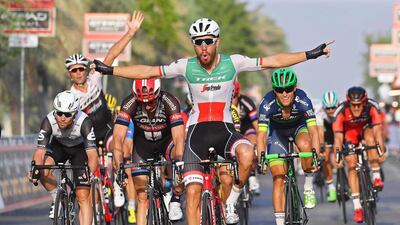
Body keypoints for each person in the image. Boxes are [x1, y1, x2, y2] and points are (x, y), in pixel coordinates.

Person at [92, 17, 333, 225]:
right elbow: (147, 72)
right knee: (193, 192)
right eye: (198, 42)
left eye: (208, 41)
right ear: (194, 45)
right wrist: (110, 70)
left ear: (217, 41)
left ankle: (231, 201)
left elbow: (273, 61)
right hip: (195, 135)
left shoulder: (233, 62)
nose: (204, 47)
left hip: (225, 131)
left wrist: (310, 54)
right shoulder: (185, 66)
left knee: (248, 154)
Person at [66, 10, 144, 207]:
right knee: (87, 172)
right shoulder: (70, 96)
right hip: (88, 136)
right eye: (74, 70)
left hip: (107, 128)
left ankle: (118, 184)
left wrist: (130, 33)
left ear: (86, 69)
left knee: (117, 149)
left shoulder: (95, 78)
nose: (78, 73)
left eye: (81, 68)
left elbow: (112, 54)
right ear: (70, 75)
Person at [114, 78, 185, 225]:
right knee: (142, 195)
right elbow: (118, 139)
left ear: (158, 94)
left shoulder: (169, 101)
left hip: (166, 143)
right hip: (143, 146)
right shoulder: (129, 103)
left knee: (180, 161)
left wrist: (179, 161)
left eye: (151, 101)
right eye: (143, 102)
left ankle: (176, 198)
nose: (147, 105)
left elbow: (178, 137)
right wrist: (119, 166)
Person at [257, 68, 320, 225]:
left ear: (295, 88)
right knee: (278, 177)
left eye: (288, 89)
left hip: (299, 128)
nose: (284, 93)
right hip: (277, 133)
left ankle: (308, 184)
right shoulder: (266, 103)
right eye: (279, 90)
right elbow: (262, 135)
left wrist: (316, 155)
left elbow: (313, 130)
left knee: (306, 145)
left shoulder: (303, 99)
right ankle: (279, 222)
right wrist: (261, 158)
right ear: (274, 90)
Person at [28, 91, 98, 225]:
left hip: (80, 149)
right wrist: (35, 169)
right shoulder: (48, 120)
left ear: (75, 113)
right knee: (42, 170)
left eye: (67, 114)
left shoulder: (85, 122)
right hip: (59, 146)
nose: (62, 118)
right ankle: (56, 197)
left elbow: (92, 155)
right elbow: (39, 152)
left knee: (83, 197)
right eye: (59, 113)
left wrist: (90, 172)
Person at [332, 86, 386, 223]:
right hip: (349, 135)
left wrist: (381, 150)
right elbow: (338, 137)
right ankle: (357, 207)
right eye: (353, 105)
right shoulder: (341, 111)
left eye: (359, 105)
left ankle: (376, 176)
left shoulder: (372, 106)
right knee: (351, 162)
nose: (356, 108)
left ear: (364, 102)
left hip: (366, 132)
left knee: (371, 138)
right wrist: (337, 155)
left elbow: (378, 131)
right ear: (348, 103)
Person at [232, 79, 261, 194]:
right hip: (232, 130)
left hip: (247, 128)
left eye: (234, 97)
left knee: (252, 142)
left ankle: (252, 175)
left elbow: (257, 125)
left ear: (238, 94)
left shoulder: (246, 102)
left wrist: (260, 142)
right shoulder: (223, 102)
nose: (232, 100)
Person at [315, 91, 339, 202]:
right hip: (325, 129)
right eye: (328, 108)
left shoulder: (340, 111)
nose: (330, 111)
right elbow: (320, 134)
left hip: (338, 127)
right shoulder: (319, 113)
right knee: (326, 158)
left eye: (333, 108)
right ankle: (331, 186)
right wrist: (322, 147)